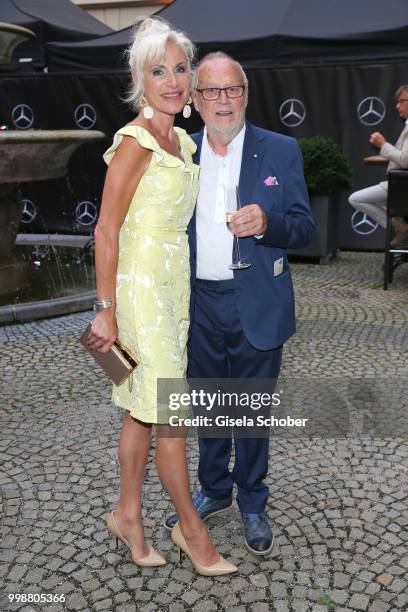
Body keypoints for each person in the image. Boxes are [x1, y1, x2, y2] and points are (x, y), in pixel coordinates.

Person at [87, 20, 237, 576]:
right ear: (138, 78)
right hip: (141, 291)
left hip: (175, 289)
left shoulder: (184, 140)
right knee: (170, 414)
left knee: (142, 411)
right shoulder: (136, 141)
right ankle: (193, 533)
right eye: (159, 71)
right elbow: (106, 230)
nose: (173, 81)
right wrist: (106, 310)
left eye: (180, 69)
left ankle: (128, 513)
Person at [165, 52, 315, 555]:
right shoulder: (178, 152)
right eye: (210, 91)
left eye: (231, 90)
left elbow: (305, 227)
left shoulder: (281, 150)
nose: (222, 101)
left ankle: (252, 500)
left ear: (246, 95)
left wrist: (268, 225)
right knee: (208, 405)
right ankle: (213, 490)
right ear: (195, 99)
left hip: (256, 301)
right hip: (197, 302)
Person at [349, 84, 408, 246]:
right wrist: (383, 157)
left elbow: (404, 160)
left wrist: (382, 144)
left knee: (356, 199)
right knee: (377, 203)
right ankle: (400, 226)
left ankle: (401, 229)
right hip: (398, 184)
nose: (398, 106)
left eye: (402, 101)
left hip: (401, 186)